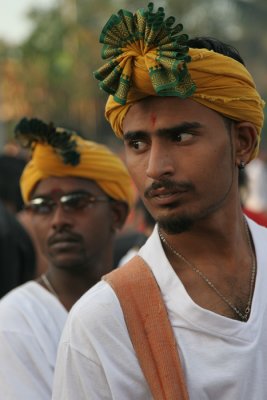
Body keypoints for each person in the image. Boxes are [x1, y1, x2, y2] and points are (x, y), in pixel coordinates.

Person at [53, 4, 267, 400]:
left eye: (181, 137)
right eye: (137, 143)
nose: (155, 168)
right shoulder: (104, 322)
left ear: (243, 142)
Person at [0, 117, 133, 399]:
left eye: (76, 203)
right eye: (42, 206)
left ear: (117, 214)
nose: (59, 220)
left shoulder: (144, 300)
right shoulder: (15, 321)